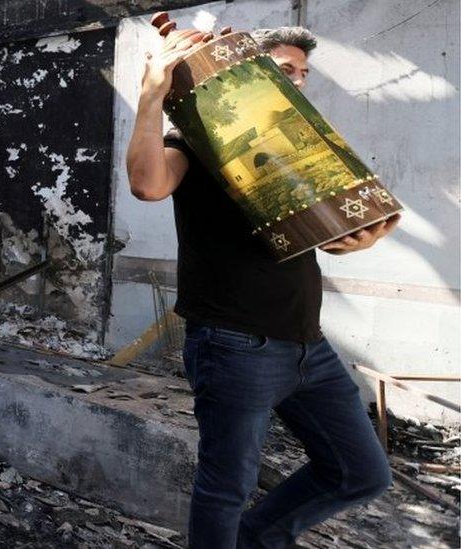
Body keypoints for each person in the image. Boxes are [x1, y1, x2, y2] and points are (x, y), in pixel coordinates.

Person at [125, 26, 399, 548]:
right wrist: (151, 95)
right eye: (283, 69)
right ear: (244, 70)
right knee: (227, 487)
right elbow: (148, 184)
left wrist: (354, 241)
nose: (296, 81)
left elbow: (326, 236)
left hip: (307, 346)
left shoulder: (293, 151)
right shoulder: (199, 136)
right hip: (235, 345)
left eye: (302, 74)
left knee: (361, 473)